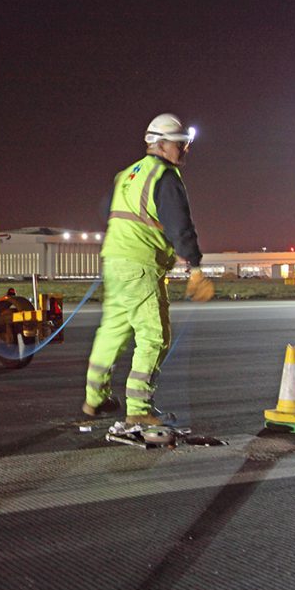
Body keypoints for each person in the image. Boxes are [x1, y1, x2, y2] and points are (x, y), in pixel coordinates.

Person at [82, 113, 214, 425]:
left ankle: (95, 398)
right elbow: (180, 226)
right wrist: (195, 268)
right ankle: (139, 411)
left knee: (113, 331)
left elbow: (108, 210)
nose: (185, 151)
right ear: (163, 144)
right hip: (140, 265)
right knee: (155, 336)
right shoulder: (165, 177)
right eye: (181, 144)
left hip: (114, 261)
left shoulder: (126, 174)